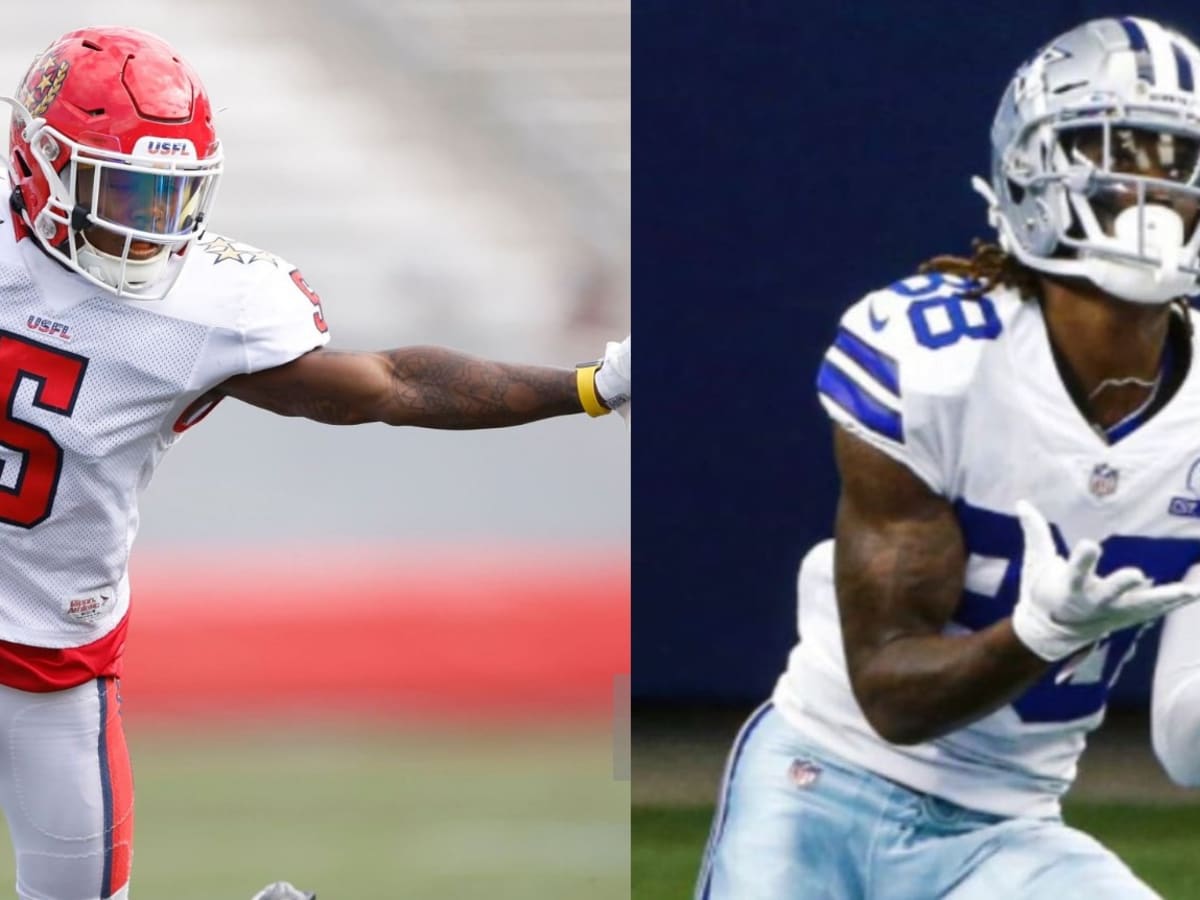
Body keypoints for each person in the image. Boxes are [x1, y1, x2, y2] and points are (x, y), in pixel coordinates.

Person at [0, 24, 629, 900]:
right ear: (36, 162)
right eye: (121, 192)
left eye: (164, 198)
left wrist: (592, 384)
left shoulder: (205, 306)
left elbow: (391, 385)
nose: (145, 228)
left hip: (52, 667)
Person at [696, 15, 1200, 900]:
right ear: (1029, 173)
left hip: (1012, 826)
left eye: (1174, 160)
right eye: (1109, 151)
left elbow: (1186, 741)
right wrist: (1043, 634)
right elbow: (894, 697)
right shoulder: (931, 356)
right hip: (822, 783)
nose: (1145, 189)